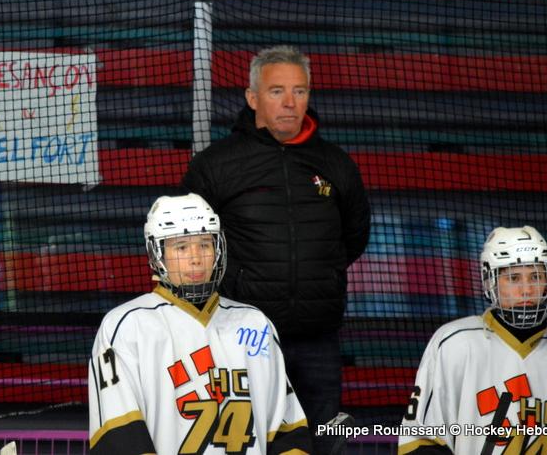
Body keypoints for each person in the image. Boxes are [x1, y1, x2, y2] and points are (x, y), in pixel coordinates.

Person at [182, 44, 371, 450]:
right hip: (240, 337)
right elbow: (192, 246)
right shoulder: (215, 165)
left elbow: (354, 238)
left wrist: (318, 275)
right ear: (252, 98)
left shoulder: (336, 163)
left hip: (317, 337)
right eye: (276, 91)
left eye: (300, 91)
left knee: (323, 442)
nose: (290, 102)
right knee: (246, 442)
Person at [88, 193, 312, 454]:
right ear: (157, 253)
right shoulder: (126, 328)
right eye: (181, 247)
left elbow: (287, 434)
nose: (195, 258)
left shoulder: (256, 325)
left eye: (205, 244)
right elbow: (120, 438)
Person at [398, 225, 547, 454]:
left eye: (536, 276)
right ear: (490, 281)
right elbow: (421, 442)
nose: (526, 290)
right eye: (513, 278)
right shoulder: (454, 344)